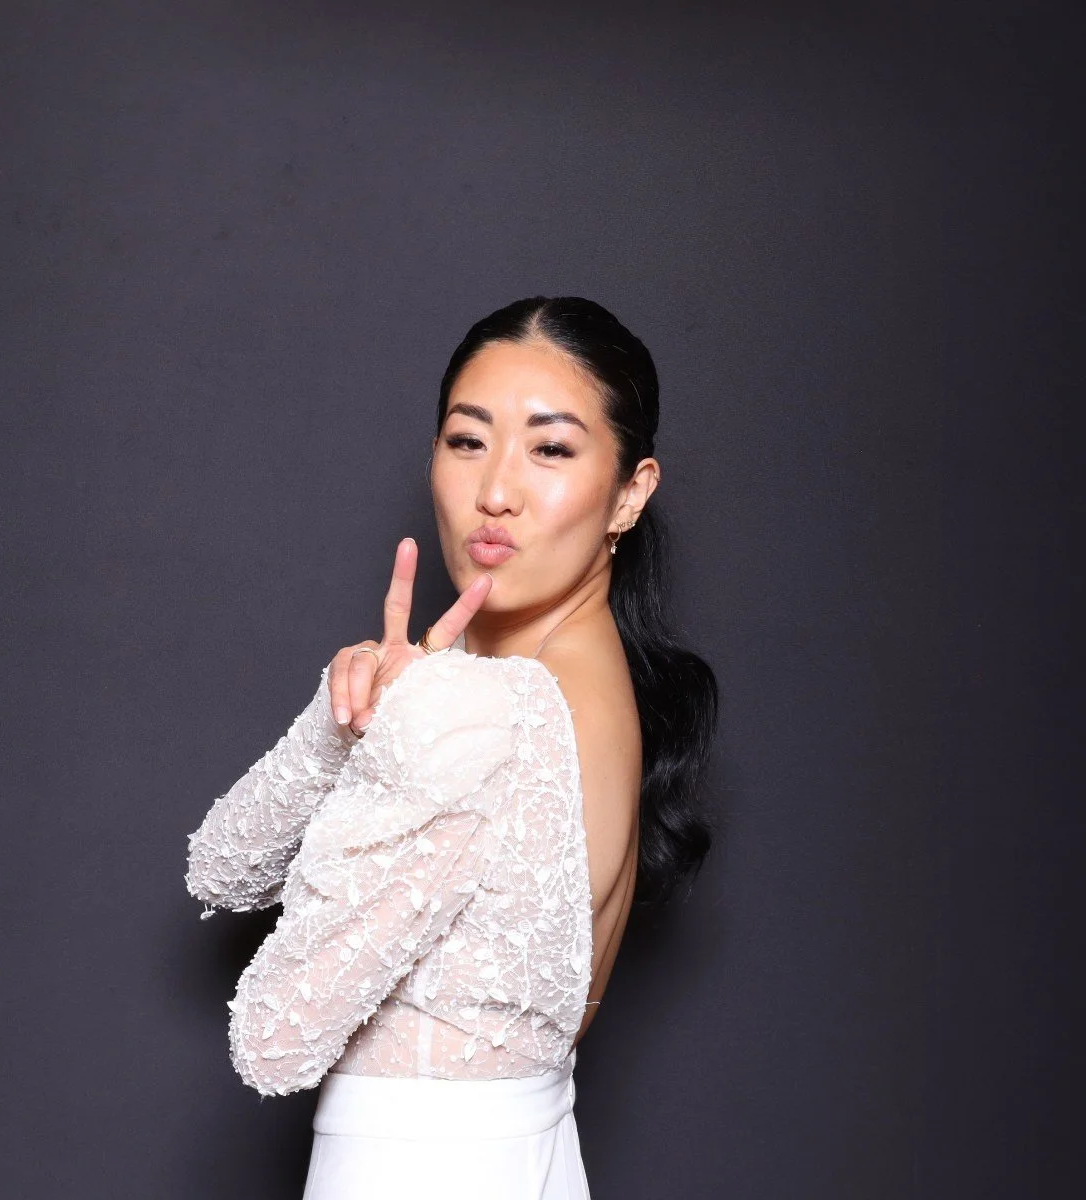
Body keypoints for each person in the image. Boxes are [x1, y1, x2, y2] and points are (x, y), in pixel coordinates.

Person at [185, 296, 718, 1199]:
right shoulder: (593, 687)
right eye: (469, 441)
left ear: (631, 492)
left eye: (550, 448)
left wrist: (401, 748)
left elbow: (275, 1035)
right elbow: (222, 871)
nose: (496, 490)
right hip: (527, 1152)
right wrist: (342, 719)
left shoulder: (481, 712)